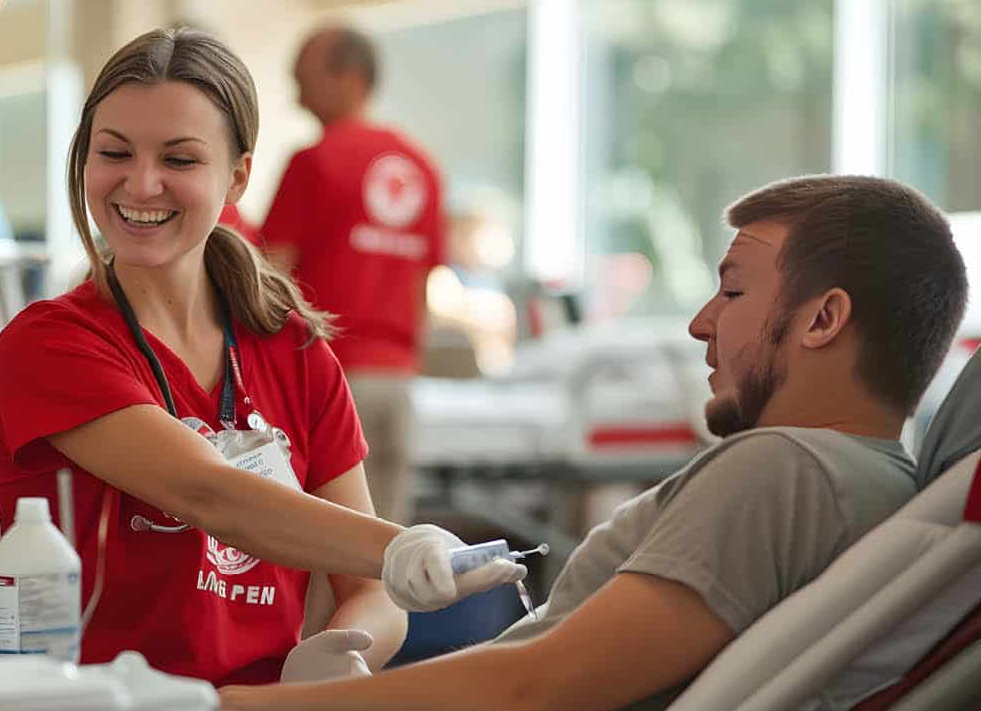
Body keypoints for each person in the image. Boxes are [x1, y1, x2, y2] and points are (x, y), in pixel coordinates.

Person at [218, 174, 970, 711]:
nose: (700, 322)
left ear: (822, 320)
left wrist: (234, 707)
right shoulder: (873, 482)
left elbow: (535, 688)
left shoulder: (782, 470)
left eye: (734, 290)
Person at [0, 27, 521, 687]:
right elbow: (207, 491)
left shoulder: (294, 349)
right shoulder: (50, 343)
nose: (142, 182)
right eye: (114, 152)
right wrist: (403, 546)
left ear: (238, 175)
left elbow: (374, 591)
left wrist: (338, 653)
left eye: (179, 159)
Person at [261, 26, 445, 524]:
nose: (296, 94)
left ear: (350, 77)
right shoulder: (422, 167)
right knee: (391, 552)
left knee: (325, 547)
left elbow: (269, 276)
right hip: (399, 383)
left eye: (305, 78)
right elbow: (420, 285)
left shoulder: (313, 162)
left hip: (330, 377)